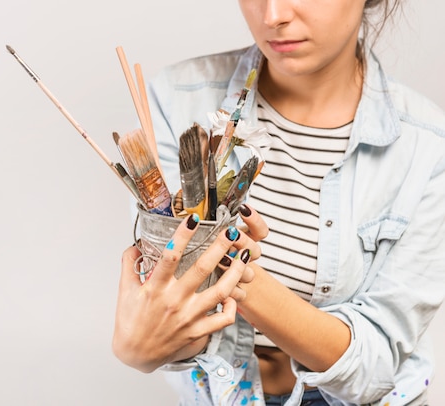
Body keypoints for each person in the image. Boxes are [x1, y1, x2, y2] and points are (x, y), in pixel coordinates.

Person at [112, 0, 445, 404]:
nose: (272, 16)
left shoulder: (428, 147)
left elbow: (374, 368)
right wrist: (141, 348)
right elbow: (165, 314)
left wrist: (241, 279)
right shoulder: (175, 100)